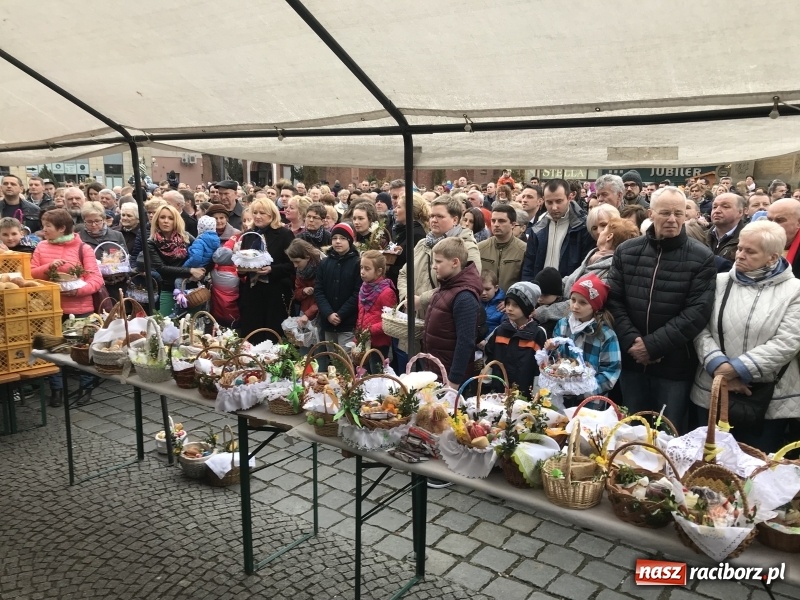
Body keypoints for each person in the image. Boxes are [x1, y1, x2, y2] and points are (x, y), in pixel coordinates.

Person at [607, 187, 716, 430]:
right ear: (651, 213)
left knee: (668, 433)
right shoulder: (627, 251)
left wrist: (653, 346)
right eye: (665, 213)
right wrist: (634, 341)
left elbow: (696, 312)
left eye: (678, 213)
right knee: (631, 430)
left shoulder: (701, 257)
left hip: (674, 365)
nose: (672, 219)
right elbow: (614, 299)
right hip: (632, 359)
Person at [691, 220, 800, 452]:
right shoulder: (718, 282)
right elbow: (700, 327)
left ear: (772, 257)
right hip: (713, 389)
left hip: (766, 398)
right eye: (739, 248)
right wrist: (719, 366)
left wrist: (737, 370)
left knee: (754, 469)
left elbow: (788, 342)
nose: (739, 255)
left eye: (750, 251)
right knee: (709, 466)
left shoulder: (794, 291)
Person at [31, 208, 104, 406]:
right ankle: (57, 389)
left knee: (82, 349)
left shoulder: (83, 248)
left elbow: (96, 279)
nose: (43, 229)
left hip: (80, 308)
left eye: (48, 226)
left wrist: (77, 291)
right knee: (51, 348)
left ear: (62, 228)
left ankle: (86, 387)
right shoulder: (41, 247)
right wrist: (49, 267)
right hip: (50, 307)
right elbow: (31, 274)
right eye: (44, 225)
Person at [214, 198, 295, 342]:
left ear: (272, 215)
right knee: (252, 336)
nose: (257, 216)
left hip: (275, 294)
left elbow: (292, 265)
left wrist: (272, 270)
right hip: (252, 293)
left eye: (262, 213)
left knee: (272, 337)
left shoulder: (284, 234)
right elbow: (243, 261)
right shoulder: (249, 234)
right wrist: (242, 270)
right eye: (255, 212)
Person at [399, 195, 481, 317]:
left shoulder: (467, 247)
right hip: (413, 319)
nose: (433, 220)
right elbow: (404, 273)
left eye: (440, 216)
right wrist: (407, 296)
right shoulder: (423, 244)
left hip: (443, 319)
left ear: (455, 220)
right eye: (432, 216)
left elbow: (466, 285)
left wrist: (422, 300)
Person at [547, 274, 621, 405]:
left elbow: (611, 372)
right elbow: (555, 361)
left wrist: (583, 390)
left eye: (583, 302)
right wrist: (551, 350)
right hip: (561, 397)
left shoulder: (606, 335)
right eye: (573, 300)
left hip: (589, 403)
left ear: (595, 306)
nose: (575, 306)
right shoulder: (563, 325)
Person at [423, 237, 483, 388]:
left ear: (455, 262)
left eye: (438, 261)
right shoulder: (446, 288)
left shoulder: (464, 297)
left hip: (450, 379)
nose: (434, 267)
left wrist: (454, 382)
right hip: (437, 372)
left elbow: (465, 342)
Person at [521, 178, 594, 280]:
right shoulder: (538, 228)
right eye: (549, 202)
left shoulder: (584, 227)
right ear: (543, 200)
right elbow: (529, 265)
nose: (554, 207)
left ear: (569, 197)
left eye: (559, 201)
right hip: (538, 290)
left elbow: (586, 268)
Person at [137, 204, 202, 316]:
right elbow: (161, 268)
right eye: (162, 217)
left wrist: (201, 271)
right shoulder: (151, 242)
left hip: (192, 290)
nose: (166, 221)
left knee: (192, 328)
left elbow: (201, 253)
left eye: (170, 218)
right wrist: (190, 271)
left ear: (176, 220)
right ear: (157, 220)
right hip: (169, 288)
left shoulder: (186, 237)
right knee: (165, 326)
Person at [485, 282, 547, 399]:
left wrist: (537, 396)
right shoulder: (501, 330)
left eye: (516, 305)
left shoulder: (538, 334)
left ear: (527, 307)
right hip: (498, 394)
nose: (509, 308)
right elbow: (489, 357)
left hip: (524, 396)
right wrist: (486, 384)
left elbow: (541, 368)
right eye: (507, 303)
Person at [315, 223, 362, 348]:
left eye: (342, 238)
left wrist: (341, 314)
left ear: (350, 240)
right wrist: (328, 313)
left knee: (345, 358)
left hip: (347, 321)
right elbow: (319, 291)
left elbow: (357, 292)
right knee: (332, 357)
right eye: (335, 238)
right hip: (328, 321)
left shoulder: (357, 263)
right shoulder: (325, 263)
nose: (338, 242)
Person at [78, 201, 128, 301]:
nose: (93, 224)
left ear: (104, 219)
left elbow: (124, 258)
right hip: (91, 285)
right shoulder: (79, 238)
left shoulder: (117, 235)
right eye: (89, 221)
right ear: (84, 221)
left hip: (116, 284)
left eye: (97, 221)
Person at [356, 250, 397, 371]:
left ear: (379, 271)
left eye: (367, 269)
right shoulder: (364, 287)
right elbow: (361, 313)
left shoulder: (386, 292)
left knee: (377, 373)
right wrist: (358, 334)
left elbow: (390, 321)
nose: (362, 272)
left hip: (379, 343)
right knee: (363, 373)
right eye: (361, 268)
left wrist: (370, 330)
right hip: (364, 340)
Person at [478, 205, 527, 291]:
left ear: (513, 224)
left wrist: (511, 300)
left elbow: (526, 281)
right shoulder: (480, 248)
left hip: (510, 301)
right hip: (483, 300)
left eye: (501, 221)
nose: (496, 224)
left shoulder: (524, 249)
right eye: (493, 221)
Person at [387, 192, 428, 285]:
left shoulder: (416, 234)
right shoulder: (403, 231)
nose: (394, 210)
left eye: (399, 207)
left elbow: (413, 267)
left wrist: (388, 269)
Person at [286, 238, 321, 333]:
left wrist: (308, 314)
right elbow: (296, 293)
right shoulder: (301, 271)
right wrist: (303, 291)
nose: (295, 266)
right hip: (304, 312)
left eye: (297, 262)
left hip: (319, 315)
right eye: (293, 262)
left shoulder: (321, 268)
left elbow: (323, 297)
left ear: (307, 257)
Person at [767, 198, 800, 278]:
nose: (772, 225)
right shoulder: (760, 241)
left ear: (798, 223)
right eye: (769, 220)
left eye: (779, 220)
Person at [707, 193, 745, 262]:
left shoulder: (748, 240)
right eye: (714, 207)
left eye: (725, 206)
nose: (717, 211)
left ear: (740, 212)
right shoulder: (700, 237)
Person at [532, 267, 564, 337]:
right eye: (538, 294)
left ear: (557, 295)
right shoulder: (532, 304)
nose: (540, 299)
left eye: (545, 295)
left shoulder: (560, 316)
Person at [479, 270, 505, 348]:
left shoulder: (503, 305)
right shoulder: (473, 300)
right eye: (481, 289)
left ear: (496, 288)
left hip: (492, 345)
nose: (483, 293)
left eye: (487, 289)